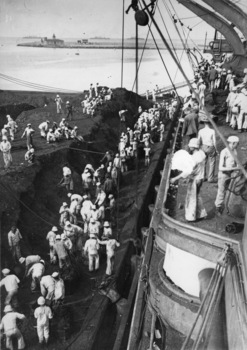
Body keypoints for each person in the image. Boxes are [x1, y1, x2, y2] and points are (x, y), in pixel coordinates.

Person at [170, 138, 207, 222]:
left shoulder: (194, 158)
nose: (189, 148)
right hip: (200, 178)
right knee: (197, 196)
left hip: (194, 179)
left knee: (191, 198)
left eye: (191, 146)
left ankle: (191, 217)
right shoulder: (202, 153)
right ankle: (201, 214)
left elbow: (187, 171)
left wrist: (175, 178)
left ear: (194, 147)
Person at [215, 136, 240, 215]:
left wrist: (236, 169)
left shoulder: (235, 151)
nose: (238, 145)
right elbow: (220, 167)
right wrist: (235, 167)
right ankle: (218, 207)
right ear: (233, 143)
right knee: (221, 191)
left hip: (231, 174)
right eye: (237, 143)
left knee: (229, 191)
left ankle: (226, 207)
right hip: (223, 175)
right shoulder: (224, 152)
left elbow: (236, 163)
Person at [198, 114, 217, 182]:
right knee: (212, 162)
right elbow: (214, 142)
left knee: (203, 162)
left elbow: (198, 140)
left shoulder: (201, 131)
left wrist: (199, 148)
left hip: (203, 146)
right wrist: (216, 150)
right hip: (211, 146)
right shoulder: (212, 131)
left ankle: (203, 177)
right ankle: (210, 178)